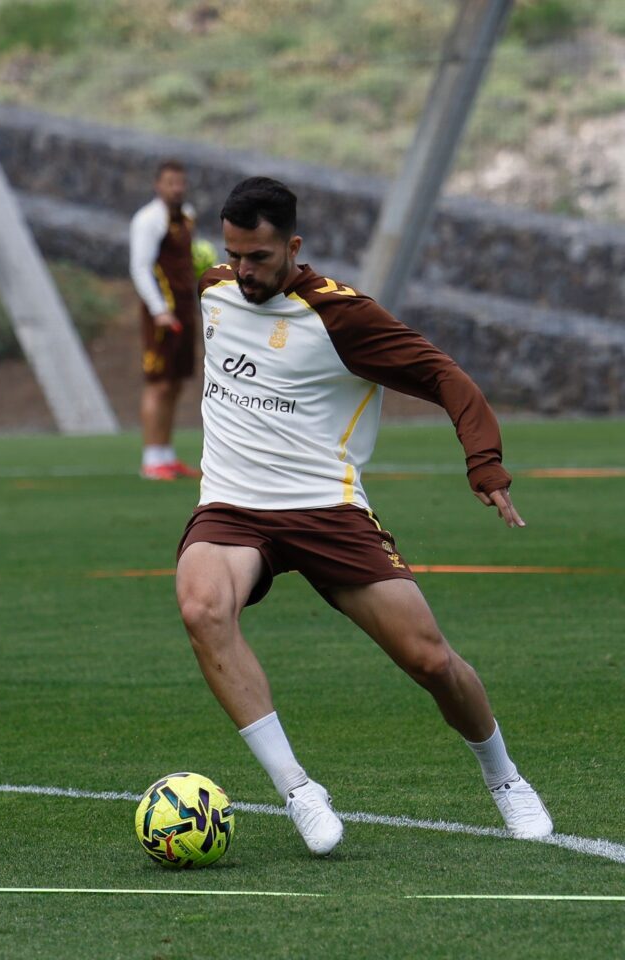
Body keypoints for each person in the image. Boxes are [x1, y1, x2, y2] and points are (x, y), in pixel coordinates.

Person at [176, 176, 553, 856]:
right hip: (233, 507)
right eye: (236, 255)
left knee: (431, 660)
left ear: (292, 246)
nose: (245, 271)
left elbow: (446, 376)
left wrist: (485, 464)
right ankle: (299, 790)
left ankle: (504, 779)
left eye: (259, 257)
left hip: (327, 510)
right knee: (202, 607)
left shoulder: (342, 318)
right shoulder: (214, 290)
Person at [129, 159, 203, 480]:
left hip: (186, 309)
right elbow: (140, 267)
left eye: (180, 182)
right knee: (158, 383)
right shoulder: (148, 219)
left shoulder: (187, 217)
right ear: (157, 185)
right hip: (162, 313)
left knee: (175, 382)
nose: (177, 188)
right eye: (171, 182)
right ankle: (151, 457)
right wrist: (159, 309)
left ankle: (166, 454)